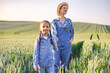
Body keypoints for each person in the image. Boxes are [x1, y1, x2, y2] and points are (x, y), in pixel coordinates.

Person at [52, 2, 74, 73]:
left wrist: (72, 39)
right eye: (64, 8)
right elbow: (53, 33)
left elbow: (72, 31)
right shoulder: (55, 21)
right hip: (57, 46)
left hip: (66, 45)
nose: (66, 10)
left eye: (66, 8)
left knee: (64, 65)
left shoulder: (69, 21)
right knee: (55, 64)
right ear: (60, 9)